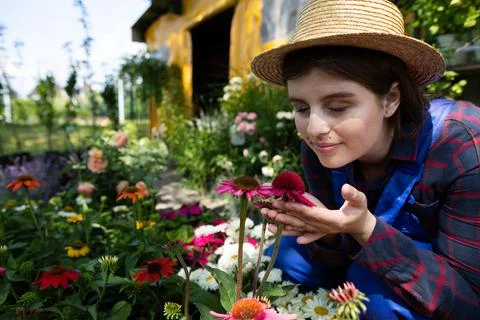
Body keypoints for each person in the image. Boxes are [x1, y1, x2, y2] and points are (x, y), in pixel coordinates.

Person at [250, 0, 480, 319]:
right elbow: (337, 262)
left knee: (372, 290)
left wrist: (365, 228)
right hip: (366, 264)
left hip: (446, 284)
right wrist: (329, 233)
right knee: (287, 255)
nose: (314, 129)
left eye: (338, 107)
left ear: (390, 100)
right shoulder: (320, 146)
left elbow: (470, 303)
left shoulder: (459, 142)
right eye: (301, 108)